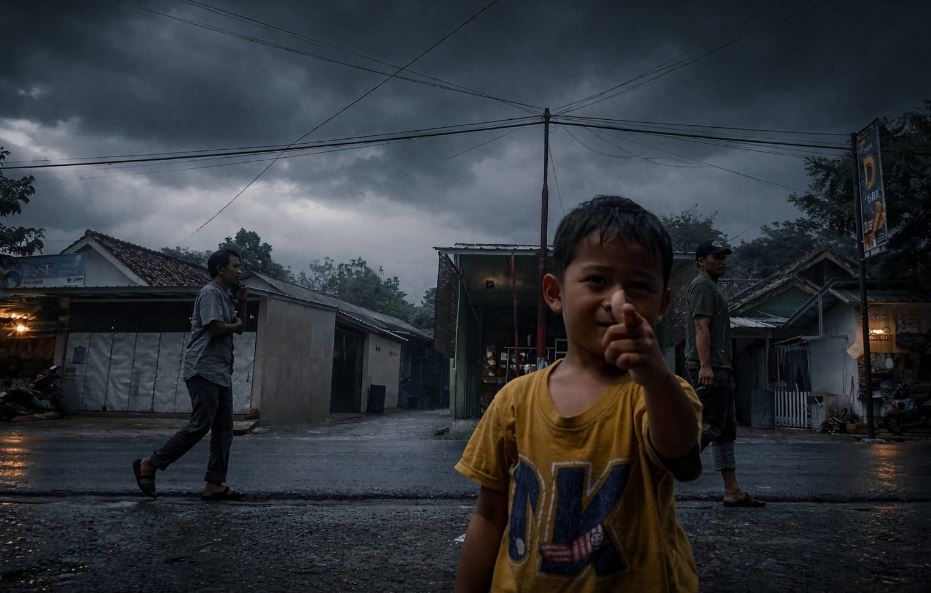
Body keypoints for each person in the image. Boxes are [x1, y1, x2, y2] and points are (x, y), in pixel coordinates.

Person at [454, 196, 703, 593]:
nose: (618, 301)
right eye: (597, 280)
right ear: (555, 293)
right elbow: (489, 516)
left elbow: (685, 462)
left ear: (662, 305)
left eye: (639, 286)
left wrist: (656, 377)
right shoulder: (514, 399)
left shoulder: (659, 393)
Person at [132, 248, 247, 500]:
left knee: (224, 430)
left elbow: (240, 327)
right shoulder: (210, 293)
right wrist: (236, 325)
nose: (239, 271)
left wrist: (242, 301)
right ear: (220, 269)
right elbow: (216, 328)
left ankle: (214, 483)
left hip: (221, 370)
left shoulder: (226, 296)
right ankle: (150, 463)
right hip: (203, 367)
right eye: (235, 266)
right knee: (200, 424)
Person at [686, 240, 764, 508]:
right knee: (709, 426)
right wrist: (705, 365)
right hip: (710, 367)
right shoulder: (702, 286)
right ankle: (658, 470)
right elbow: (701, 327)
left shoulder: (712, 287)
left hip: (720, 366)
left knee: (725, 431)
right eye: (715, 257)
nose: (722, 262)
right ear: (701, 261)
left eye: (723, 257)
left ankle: (732, 490)